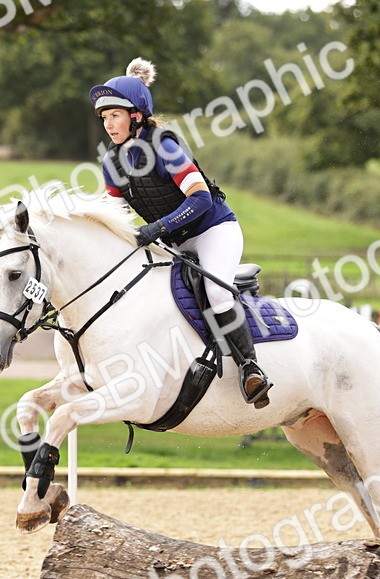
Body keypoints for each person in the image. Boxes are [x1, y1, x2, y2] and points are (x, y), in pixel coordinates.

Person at [89, 58, 272, 409]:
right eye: (104, 118)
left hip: (212, 230)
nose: (108, 124)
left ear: (136, 116)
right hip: (172, 242)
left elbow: (201, 198)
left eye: (115, 115)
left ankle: (251, 369)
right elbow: (117, 214)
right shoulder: (112, 163)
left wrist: (157, 228)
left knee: (217, 294)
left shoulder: (165, 147)